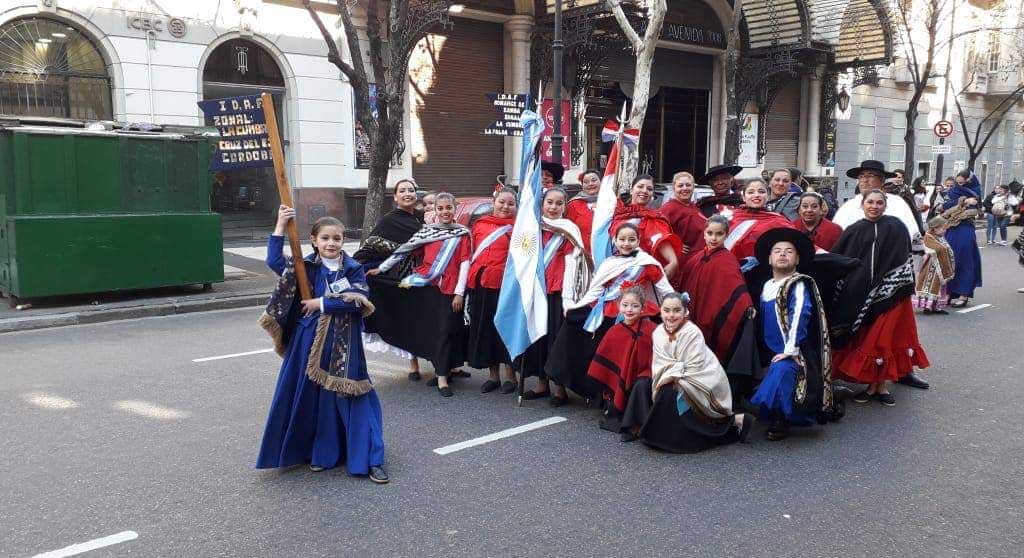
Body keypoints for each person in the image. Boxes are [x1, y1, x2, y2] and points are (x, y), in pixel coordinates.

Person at [256, 207, 388, 483]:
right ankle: (319, 452)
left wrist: (322, 303)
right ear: (314, 240)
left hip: (344, 346)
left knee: (352, 395)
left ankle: (371, 458)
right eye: (325, 238)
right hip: (307, 344)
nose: (331, 243)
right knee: (312, 398)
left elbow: (360, 301)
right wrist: (280, 224)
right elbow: (273, 261)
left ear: (343, 241)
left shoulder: (353, 270)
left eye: (337, 238)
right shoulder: (305, 268)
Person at [547, 223, 674, 404]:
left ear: (638, 241)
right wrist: (576, 308)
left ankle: (608, 392)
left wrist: (677, 309)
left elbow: (665, 291)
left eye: (631, 239)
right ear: (615, 241)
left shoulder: (648, 263)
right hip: (605, 309)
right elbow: (595, 291)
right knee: (571, 326)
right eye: (622, 239)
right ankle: (561, 385)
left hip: (633, 311)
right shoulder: (609, 263)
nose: (626, 243)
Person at [366, 192, 471, 397]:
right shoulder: (427, 232)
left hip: (450, 290)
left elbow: (465, 264)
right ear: (435, 210)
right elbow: (404, 250)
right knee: (433, 330)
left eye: (448, 208)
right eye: (440, 208)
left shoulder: (463, 233)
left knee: (447, 330)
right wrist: (382, 269)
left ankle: (445, 372)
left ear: (455, 208)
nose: (444, 212)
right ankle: (441, 374)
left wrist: (459, 293)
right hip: (424, 285)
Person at [619, 292, 755, 451]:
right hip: (672, 375)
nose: (671, 315)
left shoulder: (692, 332)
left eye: (677, 310)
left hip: (701, 380)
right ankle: (639, 426)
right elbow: (660, 364)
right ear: (660, 311)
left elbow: (694, 366)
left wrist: (671, 373)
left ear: (685, 312)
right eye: (667, 310)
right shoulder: (658, 333)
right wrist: (671, 373)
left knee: (669, 391)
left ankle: (679, 437)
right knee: (642, 384)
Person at [832, 190, 931, 402]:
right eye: (870, 202)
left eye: (879, 202)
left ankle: (882, 386)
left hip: (892, 294)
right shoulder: (853, 230)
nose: (874, 206)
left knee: (884, 339)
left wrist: (890, 285)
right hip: (861, 295)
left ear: (885, 206)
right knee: (867, 337)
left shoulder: (896, 227)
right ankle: (870, 386)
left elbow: (903, 259)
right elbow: (841, 259)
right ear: (862, 205)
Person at [749, 228, 835, 441]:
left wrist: (791, 349)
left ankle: (782, 419)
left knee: (783, 369)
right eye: (777, 251)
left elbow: (800, 314)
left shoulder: (798, 283)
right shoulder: (767, 285)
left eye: (789, 251)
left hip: (794, 349)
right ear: (769, 259)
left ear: (797, 259)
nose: (782, 254)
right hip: (769, 346)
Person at [518, 188, 592, 403]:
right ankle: (542, 385)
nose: (553, 207)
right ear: (542, 204)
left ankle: (559, 388)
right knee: (538, 337)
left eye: (559, 204)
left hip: (558, 290)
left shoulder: (569, 229)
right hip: (536, 290)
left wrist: (569, 299)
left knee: (555, 339)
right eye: (549, 202)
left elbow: (572, 263)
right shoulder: (532, 227)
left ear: (565, 206)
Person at [680, 215, 760, 400]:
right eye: (710, 233)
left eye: (719, 234)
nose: (714, 238)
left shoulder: (727, 259)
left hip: (712, 313)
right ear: (704, 234)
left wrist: (747, 305)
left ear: (726, 235)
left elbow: (736, 284)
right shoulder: (696, 258)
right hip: (694, 312)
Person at [355, 178, 426, 380]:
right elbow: (371, 246)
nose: (407, 193)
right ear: (395, 197)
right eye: (402, 191)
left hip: (427, 275)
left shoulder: (422, 219)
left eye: (411, 190)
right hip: (403, 277)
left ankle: (444, 364)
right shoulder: (388, 220)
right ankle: (413, 364)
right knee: (410, 320)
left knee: (428, 318)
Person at [467, 188, 518, 394]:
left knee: (505, 330)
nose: (505, 207)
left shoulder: (520, 227)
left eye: (510, 203)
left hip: (505, 285)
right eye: (502, 202)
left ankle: (511, 376)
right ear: (494, 202)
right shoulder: (479, 224)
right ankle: (493, 375)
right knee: (485, 329)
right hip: (480, 283)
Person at [586, 287, 657, 432]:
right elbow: (604, 362)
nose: (629, 309)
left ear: (643, 308)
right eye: (625, 305)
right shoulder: (614, 332)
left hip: (645, 377)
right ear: (619, 306)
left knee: (641, 385)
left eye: (635, 306)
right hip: (621, 383)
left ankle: (642, 427)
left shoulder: (651, 329)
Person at [612, 174, 683, 280]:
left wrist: (673, 261)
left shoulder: (655, 217)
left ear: (652, 194)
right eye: (640, 186)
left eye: (649, 189)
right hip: (615, 270)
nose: (644, 191)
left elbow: (660, 240)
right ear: (631, 190)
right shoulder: (615, 213)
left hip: (643, 273)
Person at [726, 178, 795, 263]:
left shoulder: (780, 221)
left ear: (768, 196)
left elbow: (798, 243)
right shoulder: (729, 217)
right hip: (731, 267)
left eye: (761, 192)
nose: (756, 195)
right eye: (751, 192)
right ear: (743, 197)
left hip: (766, 270)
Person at [941, 170, 983, 307]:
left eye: (962, 182)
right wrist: (963, 202)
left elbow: (973, 209)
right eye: (957, 182)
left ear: (969, 181)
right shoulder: (953, 191)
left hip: (965, 229)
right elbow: (944, 207)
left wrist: (958, 205)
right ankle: (948, 293)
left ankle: (964, 294)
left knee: (965, 260)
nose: (959, 185)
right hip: (951, 229)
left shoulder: (975, 192)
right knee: (949, 260)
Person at [659, 171, 707, 272]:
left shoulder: (694, 207)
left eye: (688, 185)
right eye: (680, 185)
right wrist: (675, 245)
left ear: (693, 187)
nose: (685, 188)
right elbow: (658, 233)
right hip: (681, 262)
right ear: (674, 188)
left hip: (698, 260)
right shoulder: (668, 209)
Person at [914, 216, 956, 315]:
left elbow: (944, 248)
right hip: (930, 267)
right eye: (943, 228)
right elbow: (935, 249)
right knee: (929, 286)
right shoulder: (928, 237)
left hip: (939, 267)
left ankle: (937, 307)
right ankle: (928, 307)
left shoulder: (939, 237)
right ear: (935, 228)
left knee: (940, 287)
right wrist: (942, 249)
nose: (945, 231)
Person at [566, 169, 602, 253]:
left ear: (601, 182)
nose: (590, 184)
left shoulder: (611, 202)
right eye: (586, 182)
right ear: (582, 185)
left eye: (594, 180)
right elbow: (568, 231)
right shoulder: (573, 204)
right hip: (583, 253)